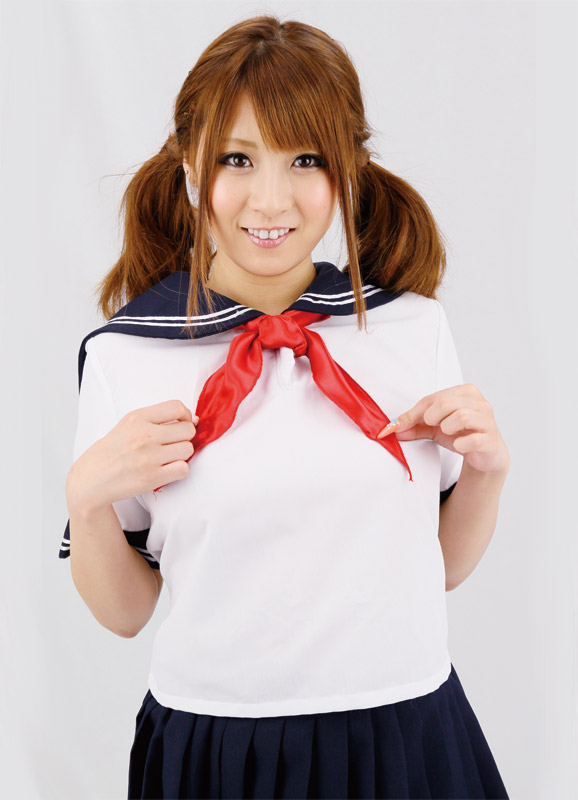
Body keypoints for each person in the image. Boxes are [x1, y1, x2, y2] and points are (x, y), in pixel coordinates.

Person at [59, 13, 511, 800]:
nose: (270, 200)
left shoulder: (413, 328)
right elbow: (126, 614)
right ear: (192, 168)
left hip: (407, 732)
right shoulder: (127, 355)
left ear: (347, 169)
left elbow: (434, 569)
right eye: (237, 159)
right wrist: (85, 501)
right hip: (218, 748)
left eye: (306, 159)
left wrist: (487, 473)